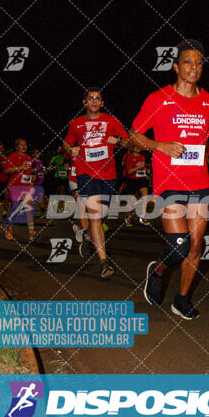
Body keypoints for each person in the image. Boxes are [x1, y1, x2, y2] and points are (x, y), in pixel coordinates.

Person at [128, 39, 209, 320]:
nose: (194, 67)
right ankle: (159, 270)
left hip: (199, 183)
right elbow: (134, 136)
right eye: (188, 62)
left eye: (198, 63)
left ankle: (182, 299)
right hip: (169, 183)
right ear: (175, 66)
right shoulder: (158, 98)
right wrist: (160, 146)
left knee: (197, 246)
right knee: (179, 246)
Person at [63, 86, 129, 278]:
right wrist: (70, 150)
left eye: (97, 98)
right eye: (90, 98)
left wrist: (116, 140)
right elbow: (66, 142)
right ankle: (104, 261)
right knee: (95, 216)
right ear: (84, 103)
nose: (93, 101)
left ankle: (87, 235)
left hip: (108, 175)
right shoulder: (76, 123)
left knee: (101, 216)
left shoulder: (111, 120)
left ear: (102, 103)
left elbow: (128, 141)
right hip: (86, 174)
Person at [4, 139, 36, 242]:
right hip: (15, 186)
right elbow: (7, 170)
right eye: (21, 145)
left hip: (26, 186)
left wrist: (32, 176)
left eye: (25, 144)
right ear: (17, 147)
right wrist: (19, 167)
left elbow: (27, 172)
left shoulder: (28, 157)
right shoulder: (13, 156)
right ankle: (9, 229)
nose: (24, 146)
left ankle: (32, 232)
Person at [124, 146, 151, 227]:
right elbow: (129, 171)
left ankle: (142, 217)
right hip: (132, 180)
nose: (138, 148)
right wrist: (139, 167)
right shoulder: (129, 157)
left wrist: (146, 170)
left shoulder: (142, 157)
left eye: (139, 146)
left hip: (142, 179)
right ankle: (128, 217)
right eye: (136, 147)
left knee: (145, 197)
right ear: (132, 148)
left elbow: (143, 166)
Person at [31, 149, 46, 218]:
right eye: (36, 153)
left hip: (41, 181)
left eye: (39, 152)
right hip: (34, 181)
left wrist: (44, 172)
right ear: (33, 154)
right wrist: (35, 170)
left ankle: (43, 212)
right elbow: (28, 170)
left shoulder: (41, 161)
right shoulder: (32, 161)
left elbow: (41, 170)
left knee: (41, 196)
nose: (38, 154)